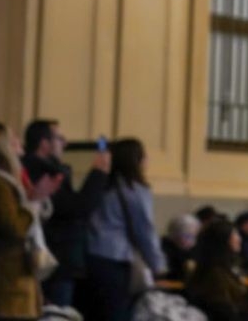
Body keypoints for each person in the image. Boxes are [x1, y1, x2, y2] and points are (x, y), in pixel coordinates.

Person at [0, 123, 59, 321]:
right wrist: (32, 203)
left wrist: (35, 201)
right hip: (7, 285)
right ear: (4, 148)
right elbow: (15, 227)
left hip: (17, 282)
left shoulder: (8, 182)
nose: (19, 144)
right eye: (13, 140)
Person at [21, 119, 111, 307]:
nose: (65, 143)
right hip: (55, 258)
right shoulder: (41, 171)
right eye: (60, 139)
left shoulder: (46, 167)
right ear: (45, 144)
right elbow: (75, 209)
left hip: (57, 258)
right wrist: (98, 173)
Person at [85, 139, 164, 321]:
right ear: (135, 160)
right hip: (116, 257)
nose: (147, 160)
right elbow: (144, 229)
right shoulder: (135, 190)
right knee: (117, 312)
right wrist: (157, 263)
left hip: (91, 256)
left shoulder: (103, 186)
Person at [160, 215, 199, 283]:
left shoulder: (193, 250)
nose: (192, 241)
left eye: (194, 236)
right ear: (174, 234)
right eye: (188, 236)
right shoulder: (164, 248)